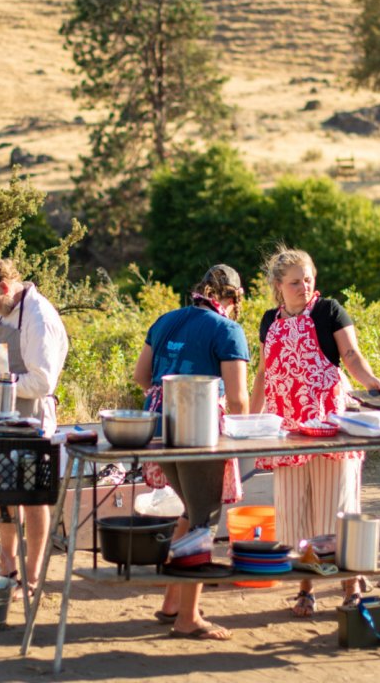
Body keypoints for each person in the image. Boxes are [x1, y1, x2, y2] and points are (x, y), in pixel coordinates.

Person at [249, 247, 380, 618]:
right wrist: (250, 420)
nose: (303, 286)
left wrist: (371, 380)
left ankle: (351, 585)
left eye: (308, 279)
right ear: (279, 286)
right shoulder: (269, 320)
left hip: (330, 430)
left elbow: (352, 356)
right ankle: (305, 588)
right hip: (287, 431)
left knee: (338, 511)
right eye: (294, 282)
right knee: (296, 515)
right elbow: (264, 373)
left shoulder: (329, 311)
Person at [132, 264, 248, 641]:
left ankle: (171, 603)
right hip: (199, 429)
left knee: (188, 508)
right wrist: (242, 431)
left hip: (161, 426)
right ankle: (189, 619)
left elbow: (141, 376)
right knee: (204, 519)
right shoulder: (228, 330)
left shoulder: (166, 319)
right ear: (231, 299)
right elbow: (236, 397)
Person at [0, 259, 69, 599]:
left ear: (4, 289)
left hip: (34, 415)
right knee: (4, 491)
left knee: (33, 496)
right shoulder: (6, 308)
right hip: (5, 413)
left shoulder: (38, 317)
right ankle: (8, 564)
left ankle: (33, 574)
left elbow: (42, 381)